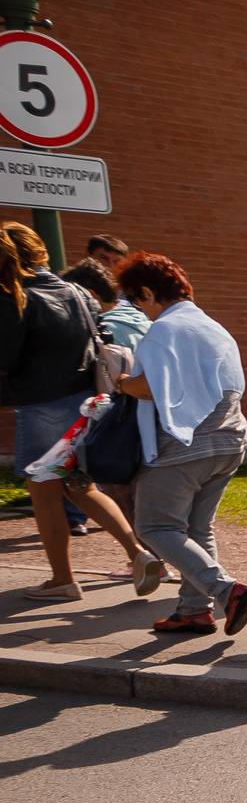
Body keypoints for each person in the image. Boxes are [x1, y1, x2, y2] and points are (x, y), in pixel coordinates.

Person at [2, 222, 158, 600]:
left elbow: (5, 359)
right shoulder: (76, 290)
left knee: (43, 491)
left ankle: (62, 580)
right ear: (40, 252)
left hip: (42, 406)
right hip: (86, 405)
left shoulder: (16, 296)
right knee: (77, 484)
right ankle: (139, 553)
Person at [115, 252, 247, 636]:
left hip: (183, 446)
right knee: (197, 530)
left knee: (153, 526)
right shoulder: (213, 327)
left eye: (135, 300)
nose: (138, 310)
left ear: (148, 293)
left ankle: (227, 591)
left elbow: (151, 387)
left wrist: (121, 382)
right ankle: (193, 610)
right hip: (229, 441)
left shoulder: (165, 330)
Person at [62, 259, 148, 539]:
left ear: (90, 294)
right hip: (148, 412)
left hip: (115, 415)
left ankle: (145, 557)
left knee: (117, 487)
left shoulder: (100, 327)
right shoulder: (142, 317)